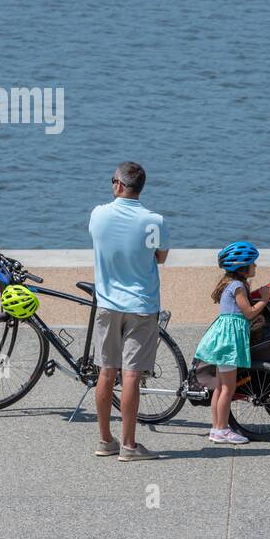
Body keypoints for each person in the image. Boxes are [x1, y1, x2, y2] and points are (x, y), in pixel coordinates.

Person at [88, 161, 168, 462]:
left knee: (106, 372)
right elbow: (160, 257)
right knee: (132, 374)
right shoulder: (154, 221)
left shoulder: (98, 215)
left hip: (108, 305)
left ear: (119, 185)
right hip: (142, 305)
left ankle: (105, 440)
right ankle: (129, 445)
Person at [195, 241, 268, 445]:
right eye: (253, 263)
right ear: (243, 267)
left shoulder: (230, 284)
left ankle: (216, 428)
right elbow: (249, 312)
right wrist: (264, 298)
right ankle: (222, 429)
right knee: (228, 388)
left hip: (223, 341)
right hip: (229, 344)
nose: (256, 266)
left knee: (219, 387)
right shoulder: (237, 287)